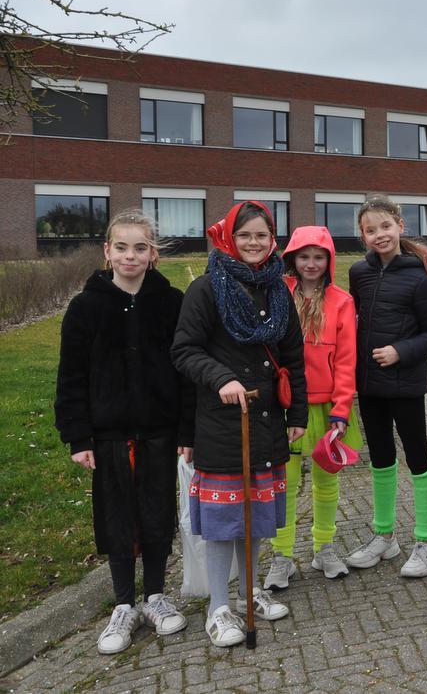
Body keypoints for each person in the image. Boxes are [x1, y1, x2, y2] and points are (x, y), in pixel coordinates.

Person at [54, 209, 192, 655]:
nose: (129, 256)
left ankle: (154, 595)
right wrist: (78, 436)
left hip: (160, 430)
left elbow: (186, 371)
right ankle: (123, 604)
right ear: (106, 251)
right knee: (118, 516)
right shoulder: (86, 307)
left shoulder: (171, 303)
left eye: (139, 247)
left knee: (156, 510)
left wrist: (186, 430)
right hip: (109, 434)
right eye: (121, 247)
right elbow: (71, 376)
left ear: (152, 254)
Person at [172, 201, 307, 648]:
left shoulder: (279, 291)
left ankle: (250, 592)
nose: (254, 243)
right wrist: (221, 378)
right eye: (245, 235)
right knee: (223, 521)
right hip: (222, 422)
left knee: (254, 517)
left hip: (266, 421)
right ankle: (218, 608)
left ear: (273, 241)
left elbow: (293, 358)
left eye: (262, 236)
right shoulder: (207, 289)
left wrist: (299, 415)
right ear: (230, 237)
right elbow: (185, 351)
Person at [346, 196, 427, 575]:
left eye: (385, 226)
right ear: (363, 236)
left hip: (406, 383)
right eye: (370, 230)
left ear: (400, 226)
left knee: (417, 459)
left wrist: (400, 351)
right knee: (380, 459)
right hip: (369, 386)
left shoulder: (419, 275)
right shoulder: (358, 272)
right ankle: (385, 537)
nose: (379, 235)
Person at [263, 226, 362, 589]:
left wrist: (341, 410)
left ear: (329, 261)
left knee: (325, 483)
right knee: (283, 484)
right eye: (303, 256)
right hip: (288, 408)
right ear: (292, 258)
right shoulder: (278, 294)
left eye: (319, 257)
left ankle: (324, 547)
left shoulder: (342, 301)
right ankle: (282, 555)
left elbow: (347, 362)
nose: (311, 263)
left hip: (328, 410)